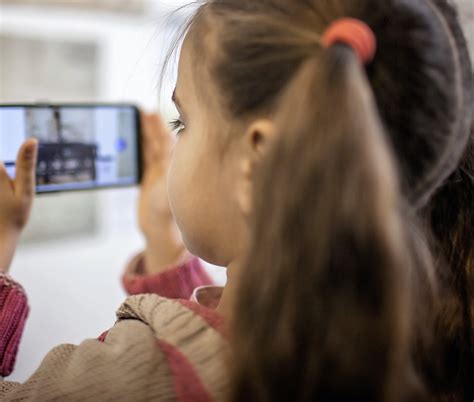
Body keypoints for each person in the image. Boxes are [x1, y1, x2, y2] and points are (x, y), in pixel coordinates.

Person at [0, 0, 472, 400]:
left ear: (257, 163)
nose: (175, 142)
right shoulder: (412, 341)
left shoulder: (132, 378)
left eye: (183, 123)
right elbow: (205, 344)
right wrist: (162, 241)